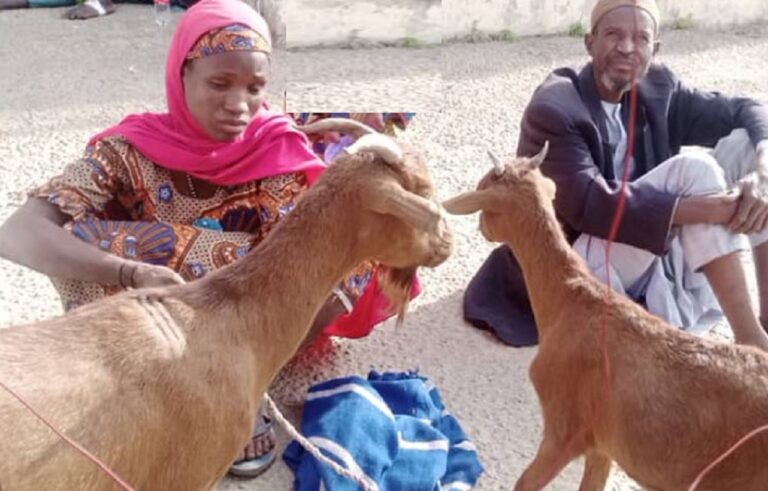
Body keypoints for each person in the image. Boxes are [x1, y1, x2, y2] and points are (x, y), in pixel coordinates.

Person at [0, 0, 414, 479]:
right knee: (78, 236)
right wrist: (130, 270)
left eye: (255, 88)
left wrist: (251, 373)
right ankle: (123, 379)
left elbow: (324, 259)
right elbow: (18, 232)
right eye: (220, 83)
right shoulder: (127, 150)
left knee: (347, 247)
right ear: (182, 76)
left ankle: (244, 383)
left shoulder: (276, 150)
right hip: (142, 319)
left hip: (239, 318)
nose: (239, 105)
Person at [464, 0, 768, 351]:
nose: (627, 47)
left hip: (646, 244)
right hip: (578, 256)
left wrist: (761, 173)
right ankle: (751, 342)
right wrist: (714, 210)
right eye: (614, 35)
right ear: (589, 42)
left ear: (655, 49)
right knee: (696, 171)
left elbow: (750, 109)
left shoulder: (660, 88)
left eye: (640, 38)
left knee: (749, 145)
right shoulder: (555, 107)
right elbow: (591, 205)